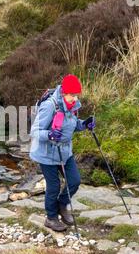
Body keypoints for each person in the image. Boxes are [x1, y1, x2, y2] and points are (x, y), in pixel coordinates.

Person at [29, 74, 95, 231]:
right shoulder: (50, 106)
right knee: (54, 185)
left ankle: (62, 205)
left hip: (65, 151)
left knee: (74, 181)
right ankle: (51, 218)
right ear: (64, 92)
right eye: (72, 95)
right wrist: (49, 135)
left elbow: (71, 125)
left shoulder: (72, 105)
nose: (74, 98)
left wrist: (84, 124)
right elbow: (35, 131)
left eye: (76, 95)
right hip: (46, 153)